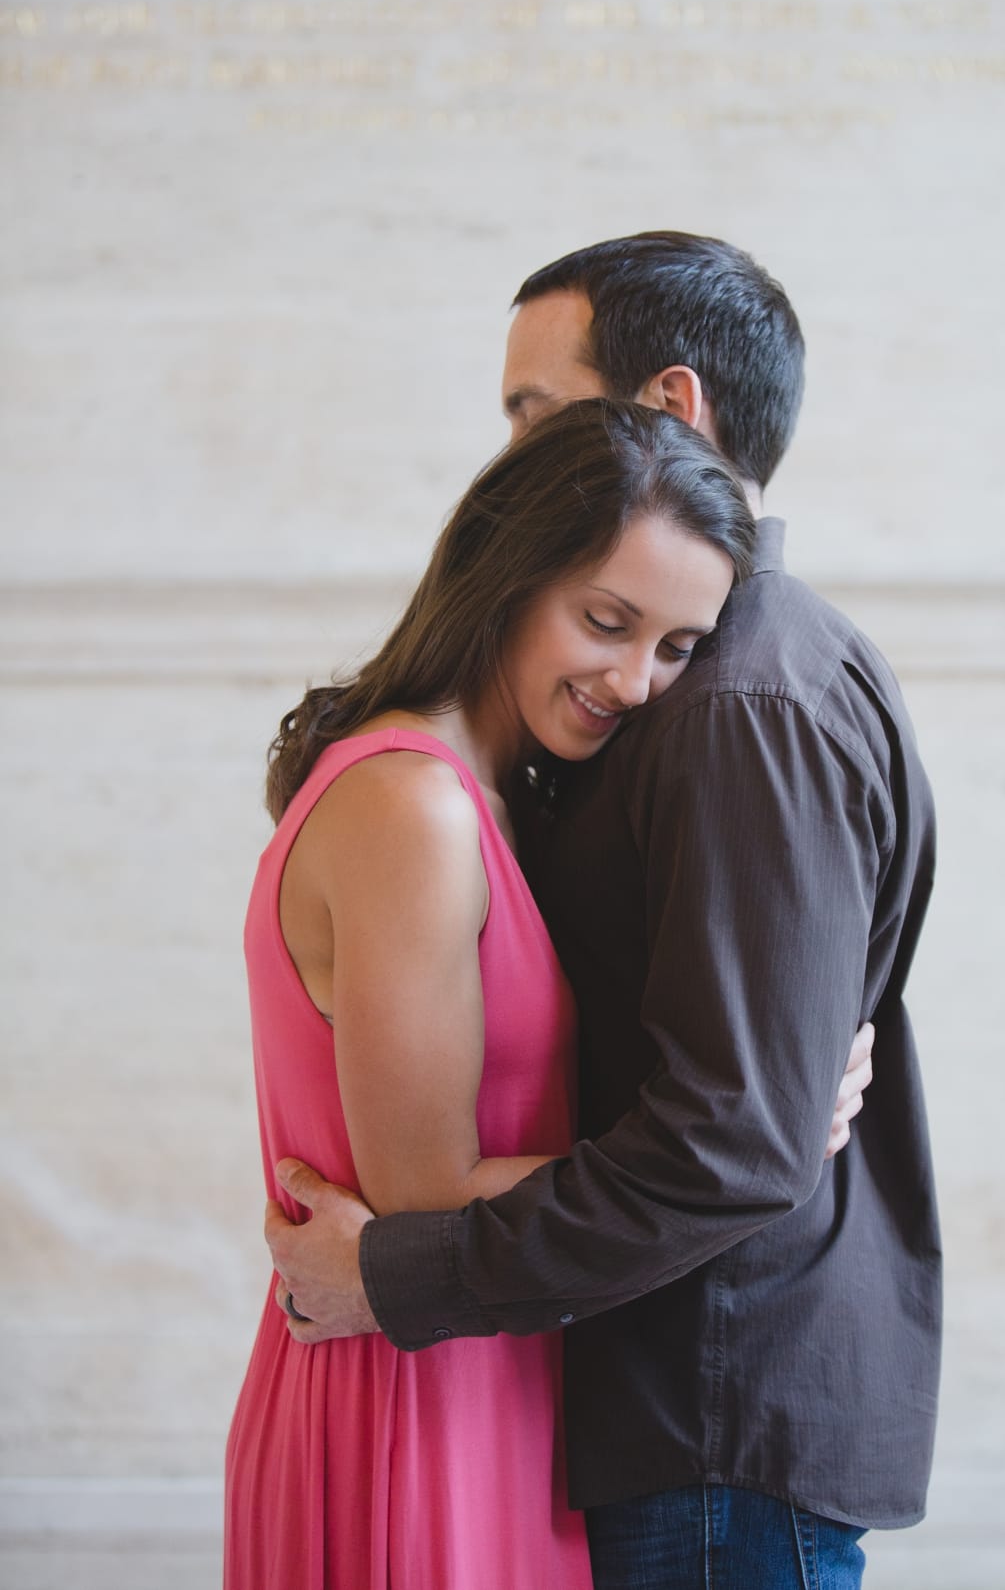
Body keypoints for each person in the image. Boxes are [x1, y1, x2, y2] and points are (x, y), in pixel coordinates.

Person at [266, 232, 940, 1590]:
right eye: (612, 625)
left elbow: (732, 1143)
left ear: (667, 412)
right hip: (652, 1402)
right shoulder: (688, 692)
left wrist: (395, 1270)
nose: (506, 455)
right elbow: (744, 1116)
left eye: (533, 412)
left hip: (708, 1412)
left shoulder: (738, 703)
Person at [224, 399, 758, 1589]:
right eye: (606, 621)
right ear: (505, 574)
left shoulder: (491, 798)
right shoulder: (410, 805)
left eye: (676, 647)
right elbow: (422, 1194)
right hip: (407, 1405)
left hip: (487, 1376)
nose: (635, 679)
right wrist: (743, 1145)